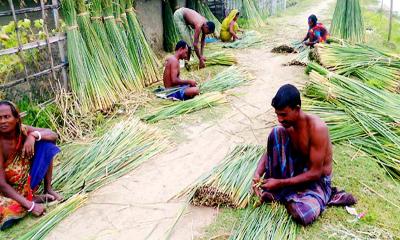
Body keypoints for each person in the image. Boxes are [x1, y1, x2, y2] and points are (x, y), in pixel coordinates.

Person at [252, 84, 356, 226]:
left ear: (297, 109)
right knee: (276, 132)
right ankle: (286, 193)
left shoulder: (317, 128)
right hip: (297, 171)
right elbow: (269, 152)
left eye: (283, 114)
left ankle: (292, 194)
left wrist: (280, 183)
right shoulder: (287, 126)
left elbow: (315, 173)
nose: (280, 119)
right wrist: (257, 173)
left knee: (302, 214)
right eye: (277, 114)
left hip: (316, 181)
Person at [0, 101, 62, 230]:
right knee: (7, 211)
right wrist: (31, 206)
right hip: (6, 193)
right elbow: (2, 185)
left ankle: (48, 189)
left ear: (17, 119)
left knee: (46, 145)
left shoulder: (22, 131)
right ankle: (30, 201)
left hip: (25, 184)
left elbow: (53, 135)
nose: (2, 121)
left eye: (7, 117)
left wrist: (33, 136)